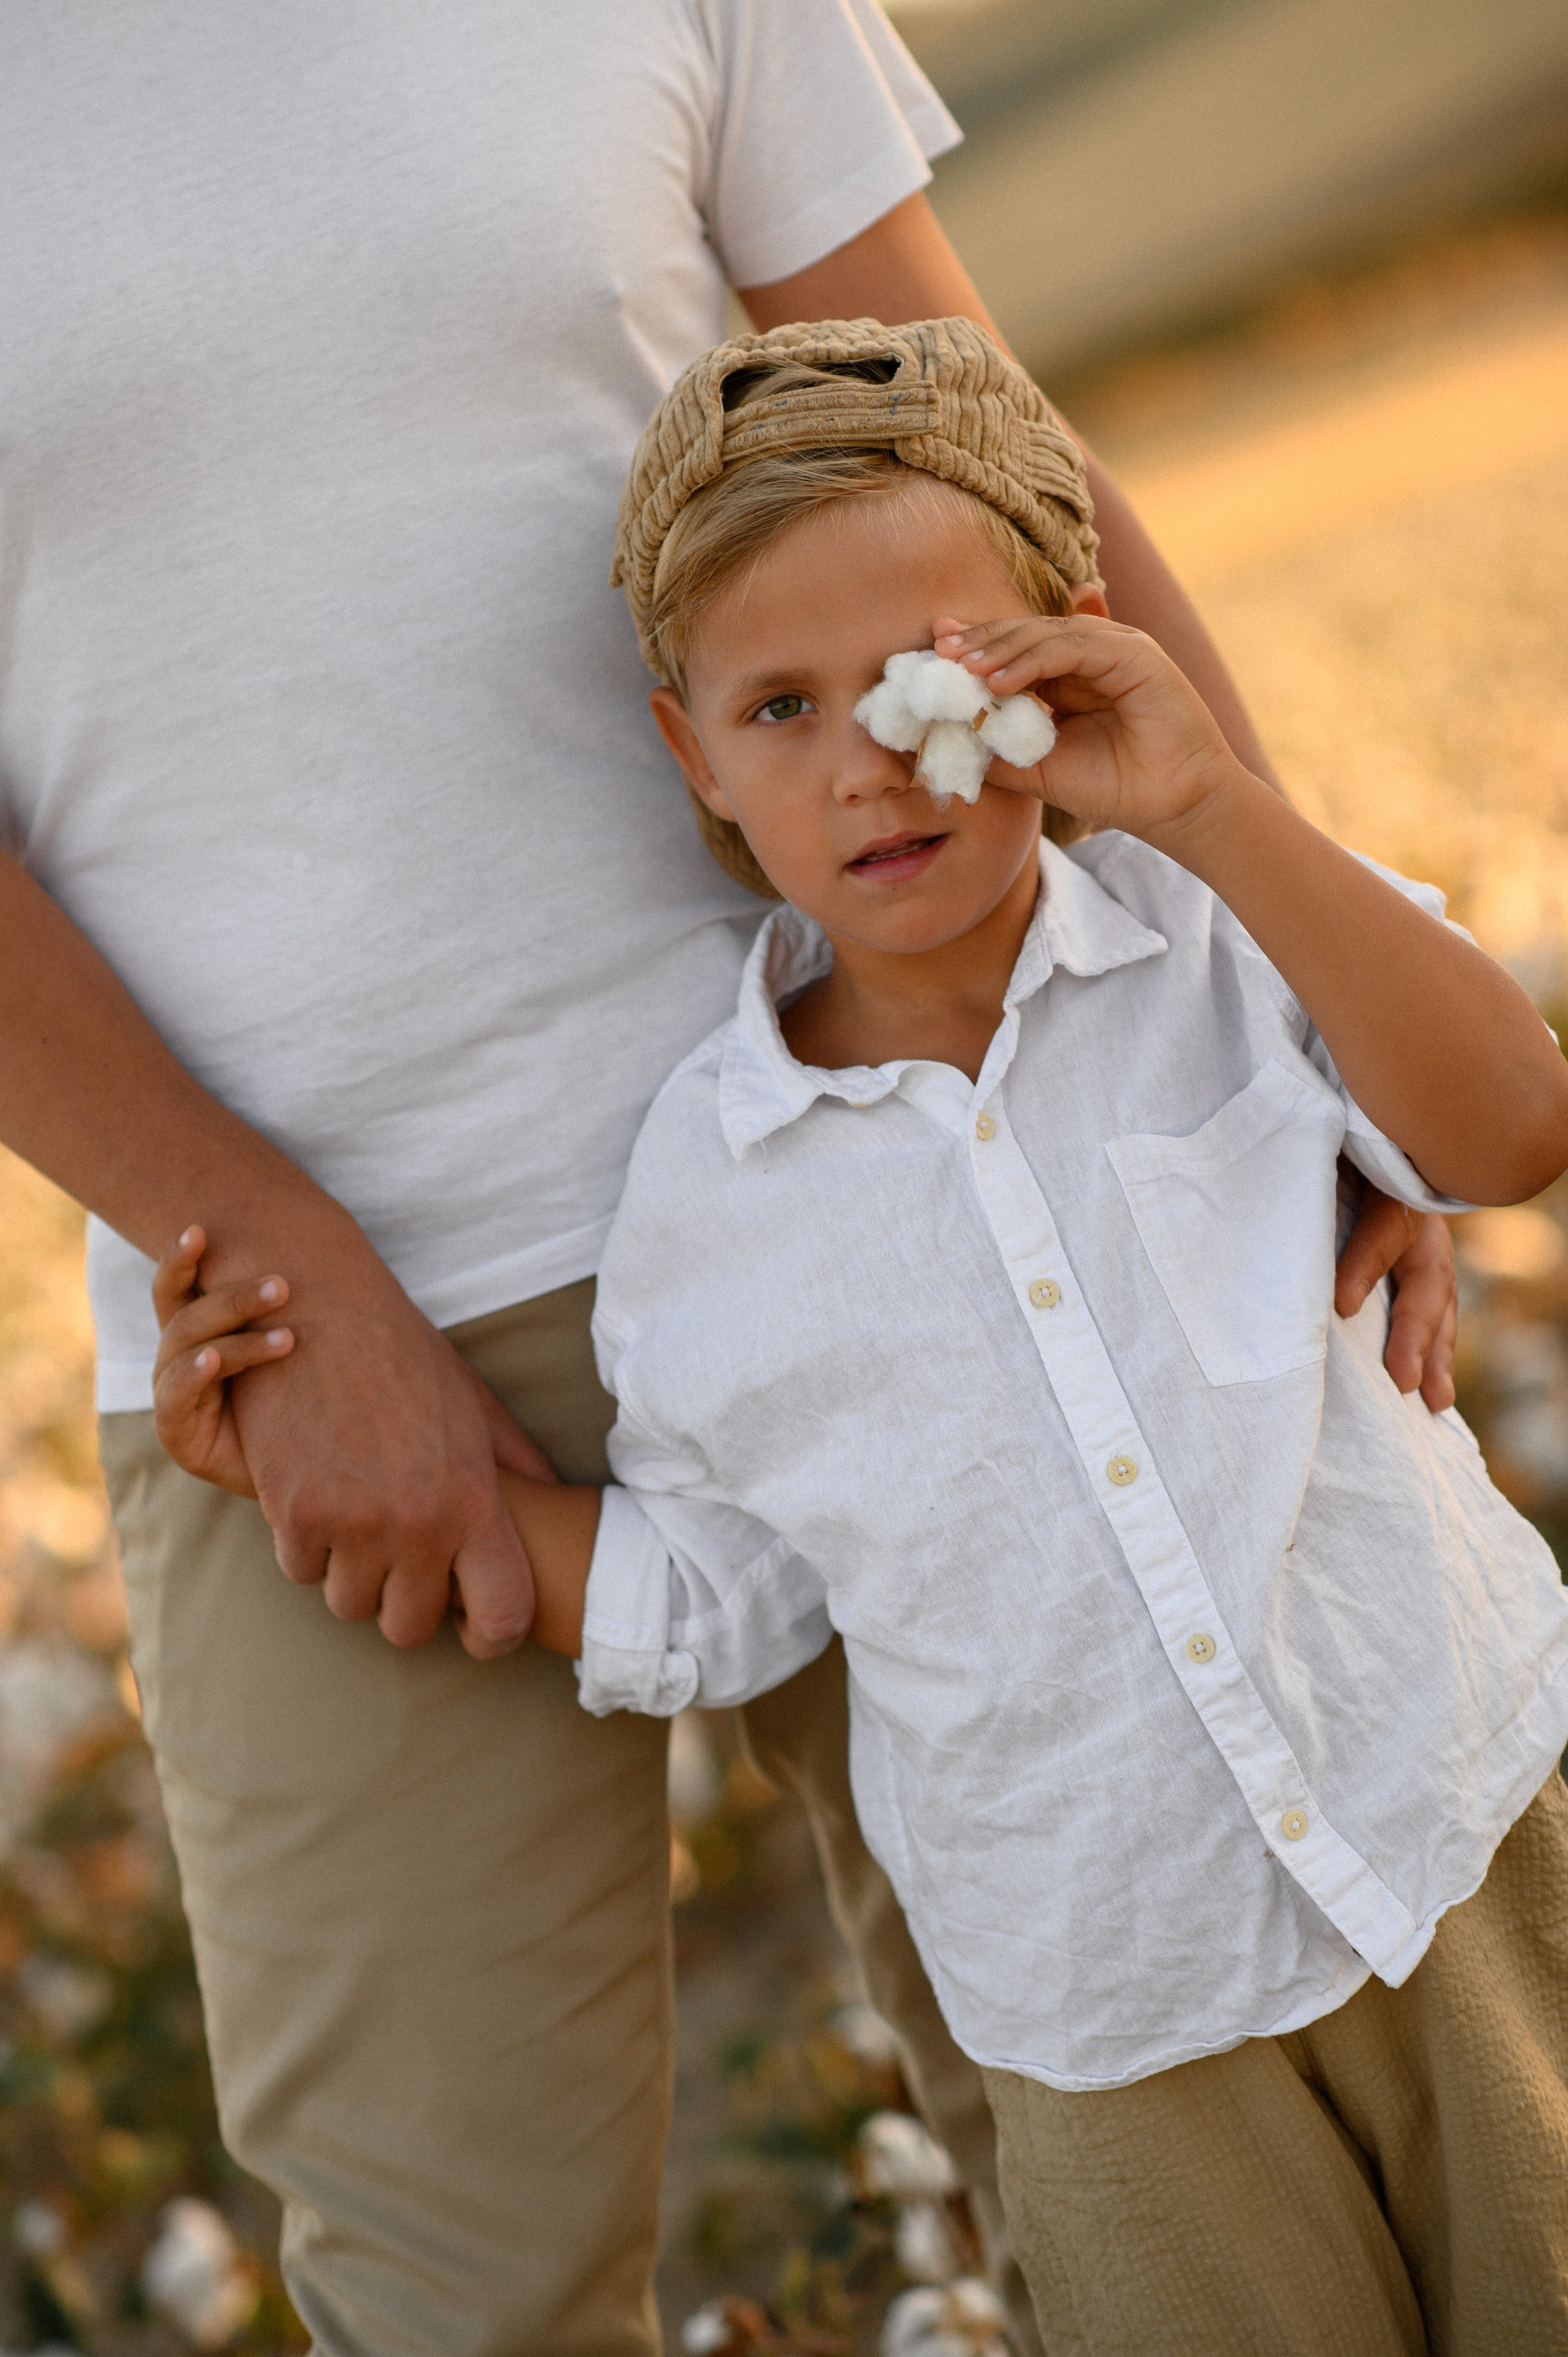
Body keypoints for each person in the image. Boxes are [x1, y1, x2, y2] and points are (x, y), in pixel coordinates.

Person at [0, 9, 1457, 2347]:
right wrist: (259, 1254)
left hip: (938, 1172)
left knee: (1147, 2130)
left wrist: (1294, 1002)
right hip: (306, 1348)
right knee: (458, 2288)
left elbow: (987, 442)